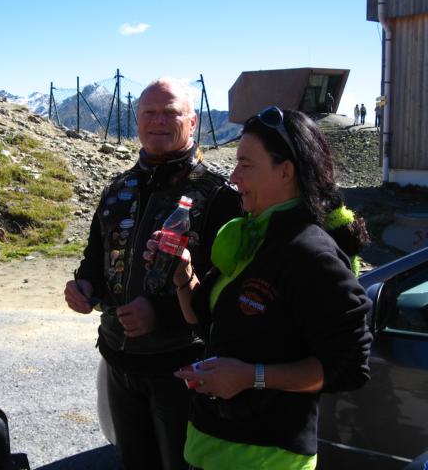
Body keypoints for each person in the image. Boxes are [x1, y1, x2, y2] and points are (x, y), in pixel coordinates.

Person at [145, 106, 372, 470]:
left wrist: (252, 377)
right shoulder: (252, 237)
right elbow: (206, 323)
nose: (233, 177)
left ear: (285, 171)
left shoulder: (312, 254)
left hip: (268, 459)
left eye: (246, 165)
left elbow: (349, 366)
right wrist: (182, 273)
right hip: (209, 447)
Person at [64, 78, 242, 470]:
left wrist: (160, 313)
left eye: (169, 113)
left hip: (183, 369)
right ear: (138, 120)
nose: (158, 121)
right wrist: (84, 286)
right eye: (149, 113)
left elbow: (228, 291)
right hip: (118, 361)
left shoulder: (219, 195)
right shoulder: (117, 188)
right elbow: (94, 259)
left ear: (192, 122)